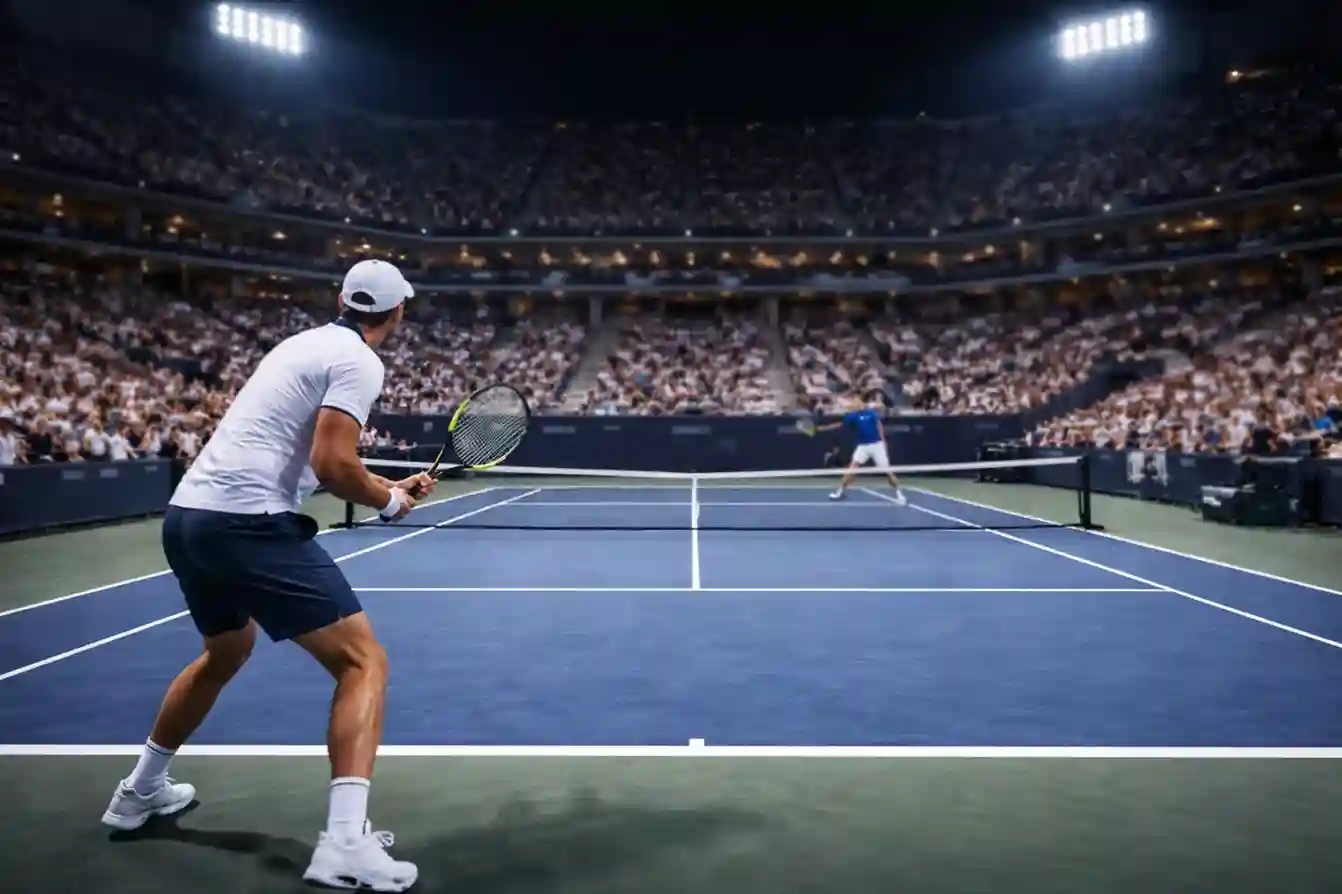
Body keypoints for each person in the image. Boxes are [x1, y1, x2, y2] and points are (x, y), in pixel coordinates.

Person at [100, 259, 432, 893]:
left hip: (190, 518)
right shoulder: (362, 362)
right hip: (245, 525)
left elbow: (306, 456)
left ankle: (139, 790)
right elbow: (334, 464)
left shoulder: (300, 344)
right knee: (364, 663)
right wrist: (386, 503)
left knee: (226, 651)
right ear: (398, 313)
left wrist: (387, 486)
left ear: (341, 299)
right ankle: (343, 846)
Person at [816, 396, 906, 503]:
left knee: (888, 471)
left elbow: (879, 426)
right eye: (853, 404)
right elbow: (839, 425)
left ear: (861, 404)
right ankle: (839, 492)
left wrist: (883, 441)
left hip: (876, 445)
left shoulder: (871, 413)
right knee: (851, 470)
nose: (855, 406)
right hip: (863, 447)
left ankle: (899, 493)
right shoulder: (852, 416)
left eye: (856, 404)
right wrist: (822, 428)